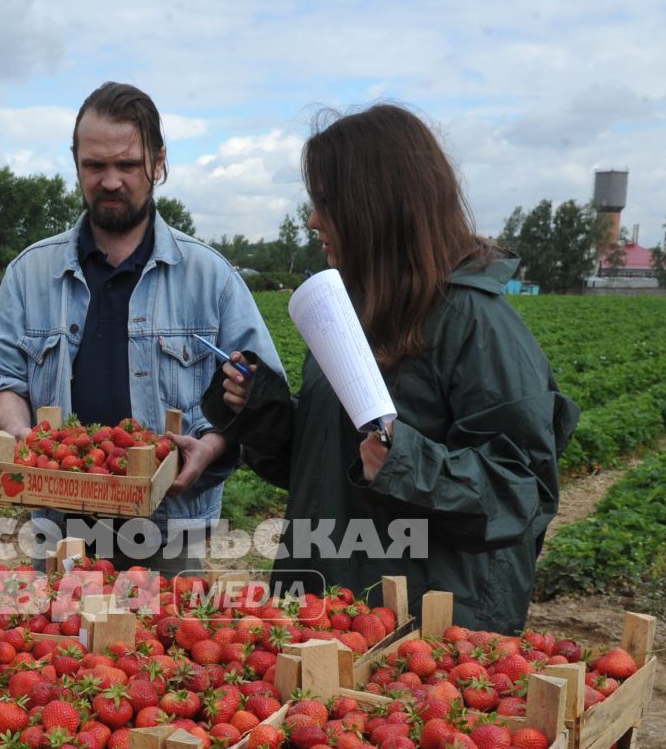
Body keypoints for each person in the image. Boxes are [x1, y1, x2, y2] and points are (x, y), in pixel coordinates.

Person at [204, 104, 576, 632]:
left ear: (377, 207)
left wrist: (406, 462)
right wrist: (262, 411)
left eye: (326, 203)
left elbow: (522, 494)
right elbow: (329, 467)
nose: (312, 220)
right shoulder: (351, 313)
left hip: (424, 632)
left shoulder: (474, 323)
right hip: (328, 604)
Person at [0, 81, 283, 570]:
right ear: (75, 161)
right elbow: (1, 378)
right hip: (60, 531)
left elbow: (260, 390)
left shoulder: (211, 277)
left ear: (158, 162)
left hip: (171, 532)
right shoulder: (28, 273)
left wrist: (211, 444)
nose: (111, 181)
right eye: (95, 165)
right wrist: (22, 434)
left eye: (127, 164)